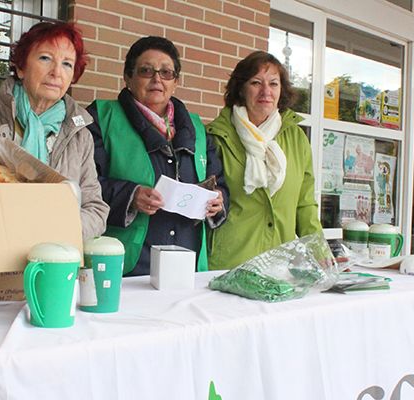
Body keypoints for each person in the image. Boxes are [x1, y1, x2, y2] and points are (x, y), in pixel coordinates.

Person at [0, 21, 108, 240]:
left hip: (48, 253)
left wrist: (53, 229)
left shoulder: (80, 136)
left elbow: (95, 210)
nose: (56, 72)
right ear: (21, 67)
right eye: (45, 58)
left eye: (67, 64)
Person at [87, 36, 228, 276]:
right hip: (127, 264)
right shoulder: (101, 117)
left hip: (188, 262)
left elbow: (220, 182)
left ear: (176, 82)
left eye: (166, 73)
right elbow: (85, 185)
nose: (157, 79)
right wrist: (131, 196)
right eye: (146, 71)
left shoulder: (197, 128)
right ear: (128, 77)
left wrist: (218, 200)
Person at [206, 51, 323, 270]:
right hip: (229, 264)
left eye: (273, 84)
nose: (266, 91)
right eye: (256, 82)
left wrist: (320, 252)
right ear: (241, 88)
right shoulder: (215, 136)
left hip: (280, 265)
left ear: (282, 90)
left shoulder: (297, 138)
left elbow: (305, 204)